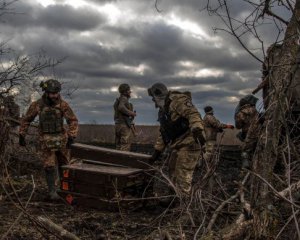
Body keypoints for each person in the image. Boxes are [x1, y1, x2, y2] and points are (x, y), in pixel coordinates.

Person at [19, 79, 78, 200]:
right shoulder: (38, 105)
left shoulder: (62, 104)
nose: (55, 95)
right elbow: (26, 120)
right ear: (46, 92)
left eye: (56, 93)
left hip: (62, 139)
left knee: (65, 165)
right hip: (45, 140)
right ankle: (52, 192)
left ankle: (65, 190)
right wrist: (22, 134)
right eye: (52, 93)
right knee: (49, 166)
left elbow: (73, 120)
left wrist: (72, 135)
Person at [148, 83, 205, 198]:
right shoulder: (164, 110)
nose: (153, 101)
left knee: (182, 175)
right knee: (172, 170)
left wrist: (197, 129)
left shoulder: (178, 100)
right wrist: (156, 152)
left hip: (189, 142)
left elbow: (193, 114)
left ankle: (183, 207)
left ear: (158, 94)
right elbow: (164, 133)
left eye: (153, 97)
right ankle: (173, 198)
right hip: (177, 144)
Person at [234, 95, 259, 168]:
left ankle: (245, 168)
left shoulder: (240, 113)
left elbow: (238, 126)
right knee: (256, 150)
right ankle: (256, 166)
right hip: (259, 133)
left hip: (249, 134)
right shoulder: (254, 110)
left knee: (245, 151)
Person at [113, 83, 136, 151]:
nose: (130, 91)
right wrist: (131, 113)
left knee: (118, 145)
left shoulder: (118, 100)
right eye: (129, 90)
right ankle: (122, 160)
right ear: (125, 91)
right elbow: (121, 107)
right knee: (125, 146)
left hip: (117, 125)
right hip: (123, 126)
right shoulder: (124, 99)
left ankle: (117, 160)